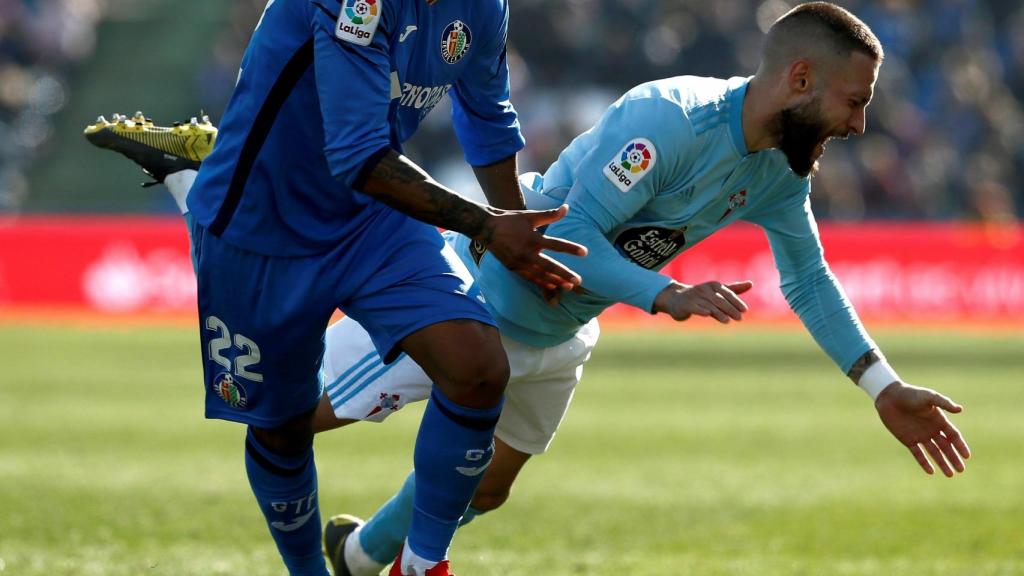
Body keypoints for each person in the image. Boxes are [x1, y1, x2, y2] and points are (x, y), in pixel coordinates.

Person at [87, 3, 971, 575]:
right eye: (856, 103)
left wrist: (882, 387)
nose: (861, 124)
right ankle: (197, 183)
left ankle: (360, 559)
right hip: (499, 300)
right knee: (289, 418)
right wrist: (663, 295)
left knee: (489, 489)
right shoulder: (670, 118)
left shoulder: (779, 168)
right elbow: (577, 232)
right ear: (802, 81)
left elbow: (809, 275)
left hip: (563, 326)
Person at [86, 1, 589, 575]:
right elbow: (359, 154)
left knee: (476, 365)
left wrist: (511, 223)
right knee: (281, 428)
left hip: (372, 217)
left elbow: (487, 112)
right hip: (264, 220)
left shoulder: (481, 5)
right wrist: (484, 226)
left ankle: (423, 565)